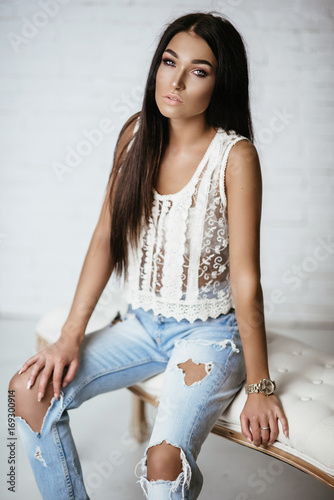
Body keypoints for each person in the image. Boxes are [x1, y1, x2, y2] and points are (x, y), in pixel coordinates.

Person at [8, 11, 289, 500]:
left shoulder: (235, 157)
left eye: (198, 71)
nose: (175, 81)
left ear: (220, 85)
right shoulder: (137, 133)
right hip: (140, 324)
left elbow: (246, 280)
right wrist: (69, 336)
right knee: (27, 393)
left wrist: (261, 385)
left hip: (209, 335)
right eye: (168, 62)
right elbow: (105, 237)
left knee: (163, 465)